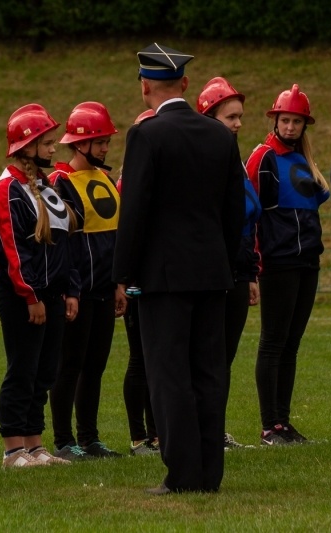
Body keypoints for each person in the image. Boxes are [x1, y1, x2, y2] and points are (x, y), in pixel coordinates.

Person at [113, 43, 245, 494]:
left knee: (169, 375)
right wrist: (229, 266)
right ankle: (210, 472)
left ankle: (182, 474)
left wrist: (122, 274)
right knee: (209, 372)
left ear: (145, 86)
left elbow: (134, 213)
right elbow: (234, 214)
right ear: (186, 84)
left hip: (163, 277)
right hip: (212, 272)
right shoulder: (220, 136)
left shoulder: (146, 136)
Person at [0, 104, 79, 468]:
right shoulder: (7, 189)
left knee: (45, 370)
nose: (54, 148)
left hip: (53, 294)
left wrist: (69, 288)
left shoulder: (46, 185)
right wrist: (30, 296)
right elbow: (13, 250)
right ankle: (13, 449)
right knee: (22, 368)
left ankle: (35, 444)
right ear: (27, 145)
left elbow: (65, 241)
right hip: (24, 297)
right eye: (47, 142)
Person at [245, 84, 330, 446]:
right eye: (285, 120)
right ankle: (269, 426)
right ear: (275, 120)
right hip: (277, 263)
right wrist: (254, 266)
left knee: (292, 343)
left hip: (307, 262)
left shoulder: (303, 160)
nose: (291, 127)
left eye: (297, 121)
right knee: (273, 342)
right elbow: (250, 213)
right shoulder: (263, 157)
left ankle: (284, 422)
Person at [49, 102, 123, 460]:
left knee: (95, 366)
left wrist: (120, 283)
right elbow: (63, 243)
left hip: (106, 290)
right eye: (101, 142)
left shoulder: (105, 178)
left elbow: (115, 235)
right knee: (70, 365)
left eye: (107, 141)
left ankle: (90, 438)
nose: (106, 148)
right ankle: (64, 441)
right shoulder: (59, 183)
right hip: (77, 291)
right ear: (81, 144)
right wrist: (69, 289)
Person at [197, 77, 262, 450]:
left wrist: (251, 272)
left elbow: (247, 219)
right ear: (209, 117)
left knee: (225, 358)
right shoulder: (205, 159)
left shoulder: (233, 158)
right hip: (212, 273)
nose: (238, 124)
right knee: (208, 357)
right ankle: (202, 431)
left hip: (237, 270)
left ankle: (215, 429)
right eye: (230, 117)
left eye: (239, 117)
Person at [119, 109, 159, 457]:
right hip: (136, 285)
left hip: (159, 281)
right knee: (140, 360)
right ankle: (137, 437)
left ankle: (158, 432)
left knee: (159, 361)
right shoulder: (126, 181)